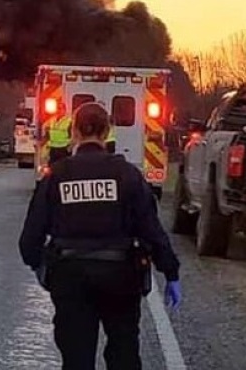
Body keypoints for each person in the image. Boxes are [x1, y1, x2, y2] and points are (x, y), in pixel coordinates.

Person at [19, 102, 182, 369]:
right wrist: (171, 272)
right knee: (124, 351)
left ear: (74, 132)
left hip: (70, 275)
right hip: (121, 274)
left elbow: (30, 238)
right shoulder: (128, 175)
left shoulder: (56, 176)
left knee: (77, 357)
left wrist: (41, 266)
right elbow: (151, 230)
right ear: (107, 132)